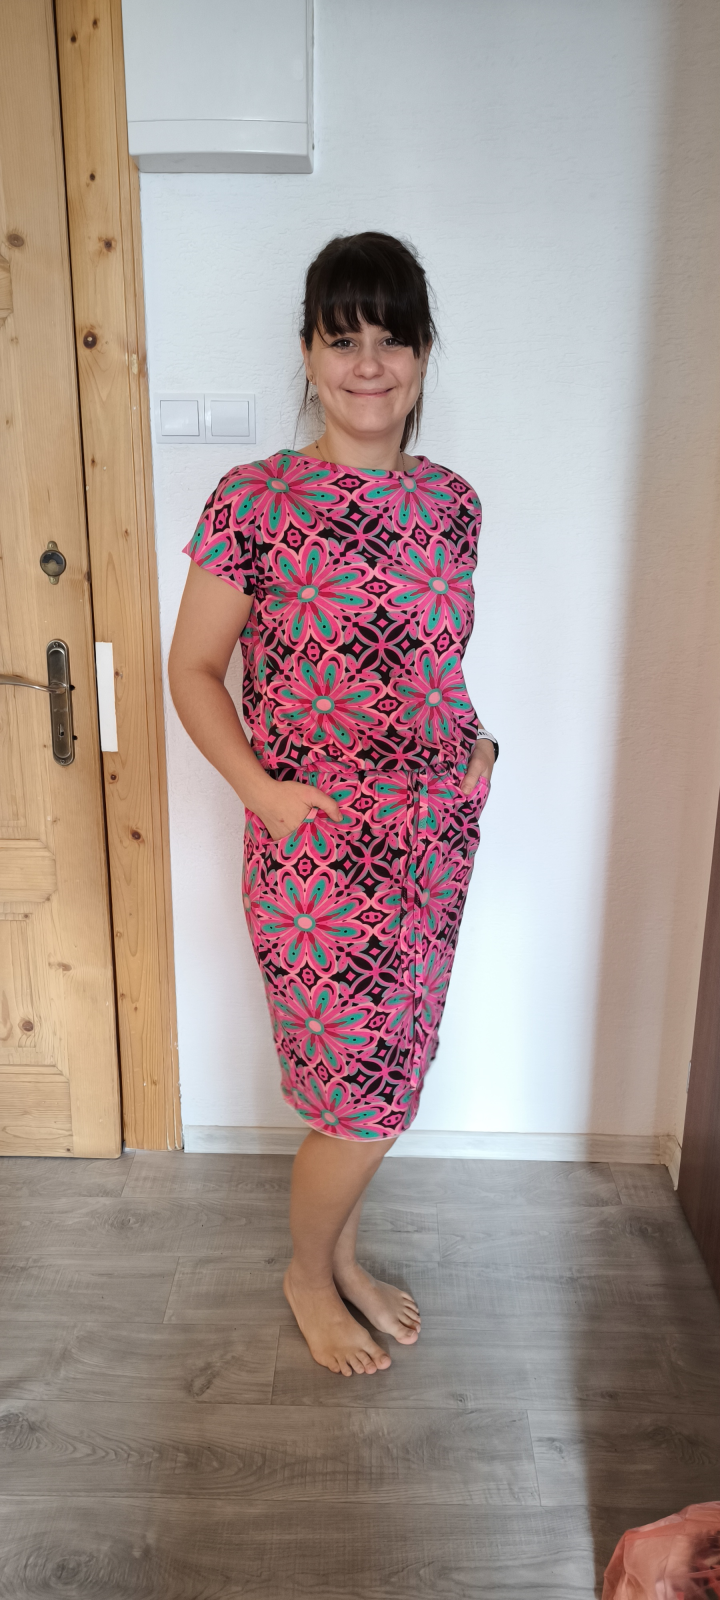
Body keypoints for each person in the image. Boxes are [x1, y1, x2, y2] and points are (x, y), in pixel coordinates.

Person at [169, 231, 498, 1378]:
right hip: (315, 852)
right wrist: (263, 794)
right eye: (342, 338)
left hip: (432, 844)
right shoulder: (254, 500)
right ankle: (308, 1273)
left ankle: (342, 1254)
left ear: (422, 353)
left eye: (391, 339)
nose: (369, 363)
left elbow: (428, 662)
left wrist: (477, 747)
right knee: (359, 1101)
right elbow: (192, 670)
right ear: (307, 353)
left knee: (392, 1079)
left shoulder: (452, 504)